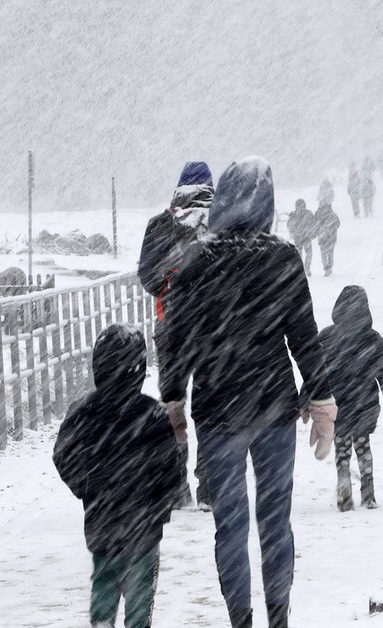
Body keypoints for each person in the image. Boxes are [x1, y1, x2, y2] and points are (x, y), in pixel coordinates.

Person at [161, 156, 337, 628]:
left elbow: (175, 337)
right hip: (275, 408)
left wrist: (173, 398)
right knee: (275, 521)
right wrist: (320, 398)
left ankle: (240, 618)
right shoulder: (282, 258)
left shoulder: (196, 260)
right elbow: (304, 334)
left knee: (230, 525)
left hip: (218, 410)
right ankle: (278, 616)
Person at [53, 323, 184, 628]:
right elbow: (171, 466)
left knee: (104, 583)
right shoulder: (151, 414)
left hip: (102, 520)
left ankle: (102, 622)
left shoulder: (83, 411)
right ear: (139, 369)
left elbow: (63, 455)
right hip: (144, 524)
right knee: (140, 595)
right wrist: (162, 505)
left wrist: (87, 487)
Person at [136, 161, 213, 509]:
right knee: (212, 406)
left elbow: (146, 276)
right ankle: (209, 485)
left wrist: (170, 287)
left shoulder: (160, 225)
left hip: (171, 327)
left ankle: (178, 486)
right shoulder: (223, 220)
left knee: (173, 406)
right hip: (217, 328)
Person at [311, 286, 383, 511]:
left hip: (338, 403)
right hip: (365, 403)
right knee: (363, 446)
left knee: (341, 446)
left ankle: (344, 488)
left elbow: (314, 372)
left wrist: (306, 399)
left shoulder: (328, 337)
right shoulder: (372, 339)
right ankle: (368, 493)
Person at [288, 199, 316, 276]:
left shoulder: (293, 214)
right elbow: (314, 224)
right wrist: (313, 232)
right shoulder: (308, 213)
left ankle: (301, 269)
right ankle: (306, 269)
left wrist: (294, 231)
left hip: (299, 237)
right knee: (308, 254)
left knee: (300, 254)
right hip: (306, 237)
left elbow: (289, 225)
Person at [314, 200, 341, 277]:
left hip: (322, 237)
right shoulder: (333, 215)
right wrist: (332, 229)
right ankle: (329, 267)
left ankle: (326, 267)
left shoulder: (318, 214)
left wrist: (318, 231)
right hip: (331, 237)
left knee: (323, 254)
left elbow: (314, 225)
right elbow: (338, 224)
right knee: (330, 253)